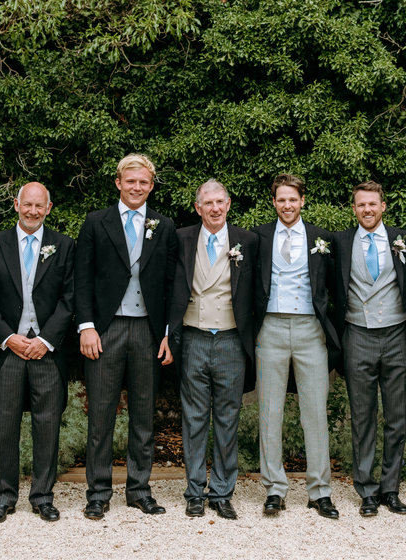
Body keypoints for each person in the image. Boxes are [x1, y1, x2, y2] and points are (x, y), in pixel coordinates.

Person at [75, 154, 178, 520]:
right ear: (119, 182)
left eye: (144, 183)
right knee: (101, 413)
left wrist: (167, 333)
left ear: (151, 186)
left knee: (144, 415)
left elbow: (170, 283)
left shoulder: (163, 226)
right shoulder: (96, 222)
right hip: (107, 329)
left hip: (148, 330)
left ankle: (138, 489)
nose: (137, 188)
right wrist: (86, 326)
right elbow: (82, 278)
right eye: (131, 181)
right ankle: (99, 492)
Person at [0, 182, 75, 523]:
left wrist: (45, 339)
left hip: (46, 352)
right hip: (8, 352)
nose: (32, 211)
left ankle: (43, 496)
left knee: (47, 425)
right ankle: (3, 496)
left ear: (48, 208)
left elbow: (69, 299)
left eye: (39, 206)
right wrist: (8, 337)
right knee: (5, 425)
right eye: (27, 204)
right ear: (16, 204)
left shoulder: (63, 246)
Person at [167, 179, 258, 520]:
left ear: (229, 204)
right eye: (208, 203)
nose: (215, 208)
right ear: (198, 208)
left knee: (227, 417)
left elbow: (256, 291)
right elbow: (168, 287)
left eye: (220, 202)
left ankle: (221, 491)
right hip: (193, 337)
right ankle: (193, 491)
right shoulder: (181, 238)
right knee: (192, 418)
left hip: (232, 340)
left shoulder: (247, 241)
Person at [252, 173, 340, 519]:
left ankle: (319, 491)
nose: (287, 205)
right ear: (274, 202)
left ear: (303, 200)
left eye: (293, 199)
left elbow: (335, 287)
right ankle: (274, 489)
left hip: (309, 329)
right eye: (281, 199)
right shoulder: (258, 237)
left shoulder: (322, 238)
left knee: (315, 412)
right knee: (269, 411)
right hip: (270, 327)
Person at [332, 181, 406, 517]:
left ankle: (390, 489)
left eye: (372, 204)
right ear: (354, 209)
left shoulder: (404, 240)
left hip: (396, 335)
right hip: (358, 335)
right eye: (361, 205)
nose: (367, 210)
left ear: (383, 207)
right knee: (362, 417)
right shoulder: (339, 242)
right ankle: (366, 489)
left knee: (396, 417)